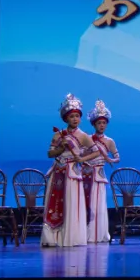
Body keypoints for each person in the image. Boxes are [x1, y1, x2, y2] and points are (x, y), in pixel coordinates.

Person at [42, 93, 99, 247]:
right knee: (55, 203)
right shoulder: (58, 135)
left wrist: (82, 159)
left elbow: (96, 152)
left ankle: (71, 237)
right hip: (58, 172)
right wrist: (61, 148)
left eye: (77, 116)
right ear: (66, 118)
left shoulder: (84, 136)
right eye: (72, 116)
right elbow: (50, 154)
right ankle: (53, 238)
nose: (75, 119)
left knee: (71, 204)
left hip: (72, 173)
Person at [83, 99, 119, 244]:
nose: (102, 125)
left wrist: (110, 160)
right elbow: (80, 154)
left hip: (98, 175)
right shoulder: (87, 139)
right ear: (94, 124)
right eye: (99, 123)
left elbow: (117, 157)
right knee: (85, 204)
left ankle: (97, 234)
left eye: (104, 123)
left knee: (97, 205)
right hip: (85, 174)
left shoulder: (109, 141)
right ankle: (83, 234)